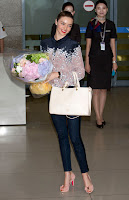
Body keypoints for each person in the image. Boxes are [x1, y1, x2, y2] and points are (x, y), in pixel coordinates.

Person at [41, 11, 94, 193]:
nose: (65, 28)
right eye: (63, 23)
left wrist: (59, 74)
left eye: (69, 25)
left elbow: (80, 73)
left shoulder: (73, 45)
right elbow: (43, 67)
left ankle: (85, 174)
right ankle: (67, 174)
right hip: (54, 95)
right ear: (56, 22)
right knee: (62, 137)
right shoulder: (45, 44)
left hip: (71, 95)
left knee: (75, 137)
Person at [85, 0, 118, 128]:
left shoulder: (111, 24)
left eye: (103, 8)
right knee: (95, 89)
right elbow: (88, 44)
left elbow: (112, 44)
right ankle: (98, 117)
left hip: (106, 60)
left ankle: (100, 115)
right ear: (95, 10)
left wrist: (114, 61)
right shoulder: (91, 24)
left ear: (107, 10)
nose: (101, 10)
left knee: (103, 89)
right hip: (94, 59)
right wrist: (86, 61)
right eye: (98, 8)